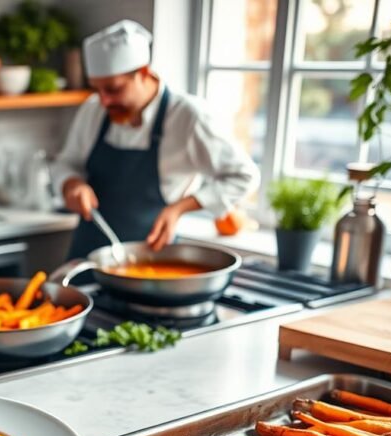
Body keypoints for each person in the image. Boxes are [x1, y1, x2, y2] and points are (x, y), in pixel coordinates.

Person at [53, 20, 259, 259]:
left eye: (113, 89)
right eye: (97, 90)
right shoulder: (93, 110)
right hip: (88, 257)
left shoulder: (188, 117)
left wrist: (179, 209)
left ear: (143, 72)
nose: (104, 101)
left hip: (152, 260)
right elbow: (65, 162)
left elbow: (244, 176)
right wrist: (72, 184)